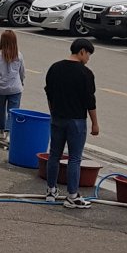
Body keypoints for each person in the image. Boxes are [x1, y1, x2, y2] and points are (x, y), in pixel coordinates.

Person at [44, 40, 100, 209]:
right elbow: (90, 101)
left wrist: (53, 112)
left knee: (54, 155)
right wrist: (95, 123)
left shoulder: (55, 68)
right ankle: (72, 196)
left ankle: (51, 190)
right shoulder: (85, 73)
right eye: (88, 54)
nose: (88, 58)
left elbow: (49, 93)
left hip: (57, 117)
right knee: (74, 158)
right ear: (82, 51)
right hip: (76, 121)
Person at [0, 30, 26, 145]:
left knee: (0, 109)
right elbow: (22, 72)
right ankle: (9, 133)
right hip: (15, 88)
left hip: (0, 88)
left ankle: (1, 130)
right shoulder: (19, 55)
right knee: (12, 111)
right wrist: (22, 82)